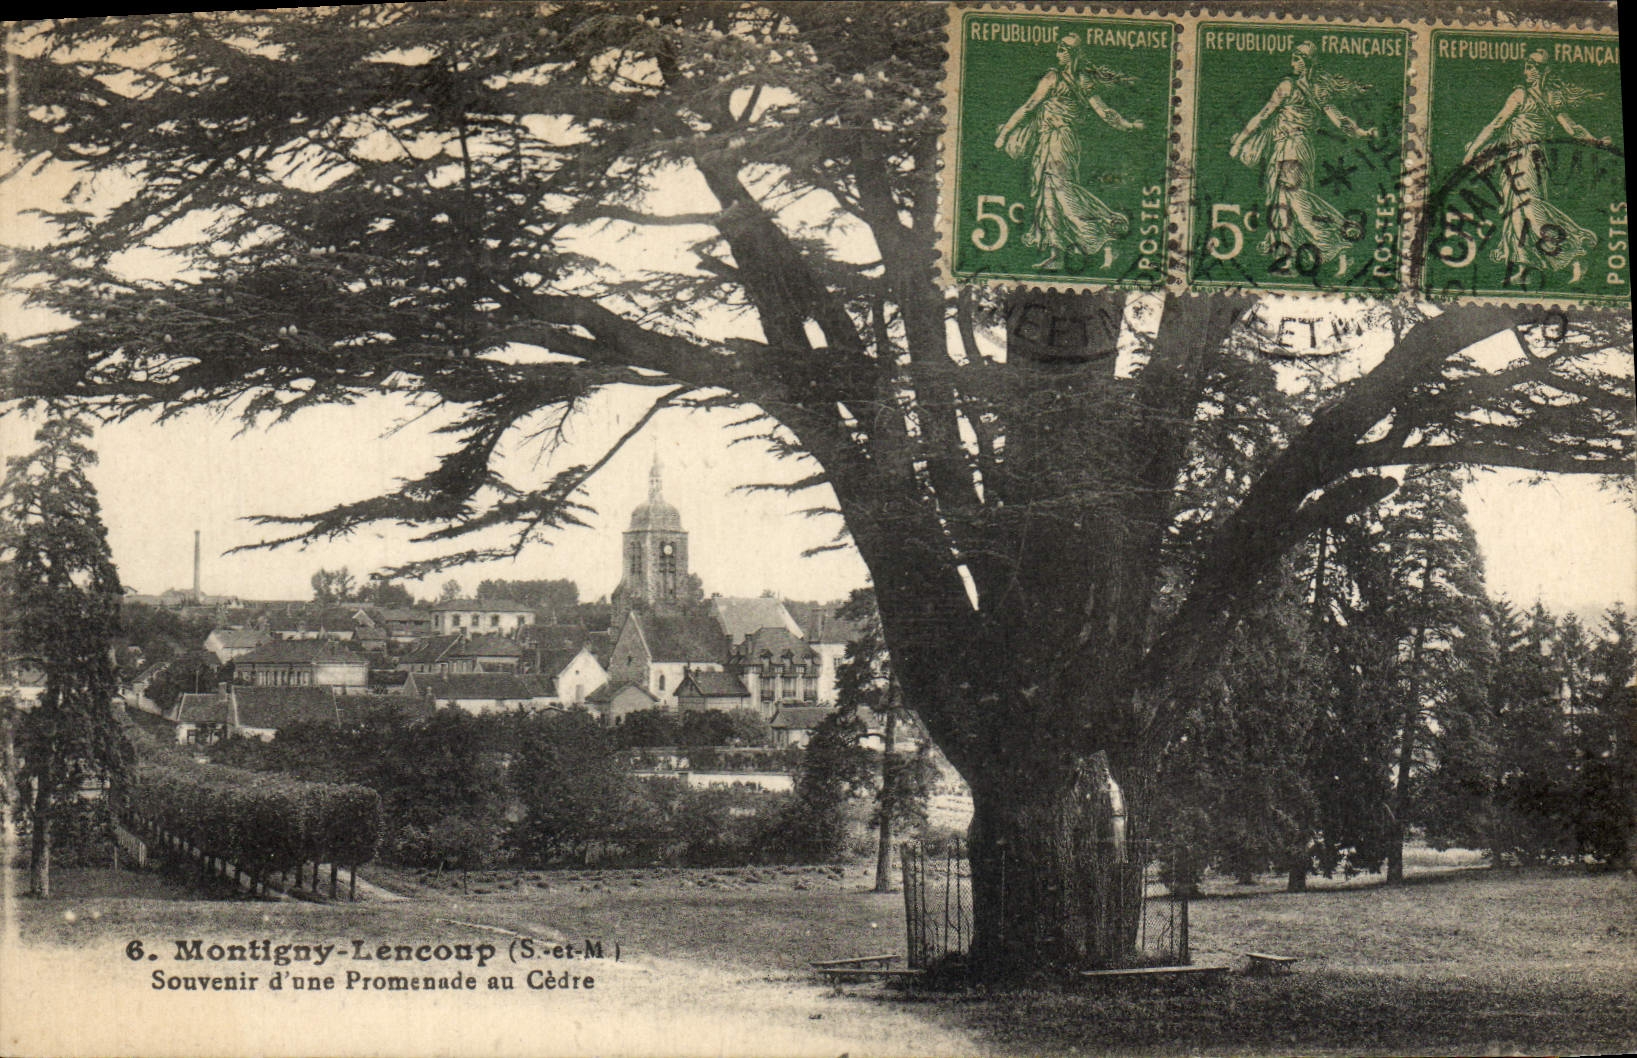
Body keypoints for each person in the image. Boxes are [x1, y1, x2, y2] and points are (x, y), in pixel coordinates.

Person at [994, 34, 1144, 271]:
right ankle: (1057, 254)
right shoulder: (1063, 78)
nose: (1058, 53)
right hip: (1049, 141)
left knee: (1063, 194)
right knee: (1048, 197)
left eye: (1062, 50)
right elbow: (1030, 106)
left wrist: (1127, 125)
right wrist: (1128, 126)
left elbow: (1102, 111)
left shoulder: (1069, 79)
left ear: (1072, 53)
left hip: (1061, 141)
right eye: (1058, 49)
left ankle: (1106, 237)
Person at [1461, 48, 1607, 285]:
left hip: (1526, 158)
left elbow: (1496, 124)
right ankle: (1523, 267)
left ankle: (1576, 250)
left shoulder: (1524, 95)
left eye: (1532, 67)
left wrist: (1472, 150)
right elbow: (1574, 129)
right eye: (1526, 66)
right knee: (1515, 212)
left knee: (1530, 209)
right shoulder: (1548, 98)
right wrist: (1596, 140)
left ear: (1543, 71)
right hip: (1525, 160)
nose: (1527, 71)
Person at [1229, 41, 1376, 274]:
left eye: (1296, 59)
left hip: (1289, 148)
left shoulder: (1287, 86)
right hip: (1301, 149)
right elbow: (1341, 120)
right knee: (1288, 198)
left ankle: (1332, 235)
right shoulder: (1318, 90)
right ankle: (1290, 250)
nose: (1292, 63)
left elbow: (1263, 116)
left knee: (1290, 198)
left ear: (1306, 62)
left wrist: (1239, 143)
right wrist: (1362, 133)